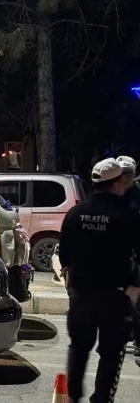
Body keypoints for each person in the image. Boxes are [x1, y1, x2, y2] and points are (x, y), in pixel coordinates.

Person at [59, 158, 140, 402]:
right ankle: (101, 399)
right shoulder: (128, 216)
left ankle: (73, 397)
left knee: (78, 348)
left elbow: (65, 256)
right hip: (115, 297)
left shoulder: (76, 213)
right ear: (117, 183)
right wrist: (135, 288)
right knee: (112, 354)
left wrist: (70, 283)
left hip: (82, 294)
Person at [117, 155, 140, 368]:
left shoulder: (137, 193)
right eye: (122, 174)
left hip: (136, 256)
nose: (125, 178)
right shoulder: (113, 193)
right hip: (116, 257)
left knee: (137, 301)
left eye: (128, 174)